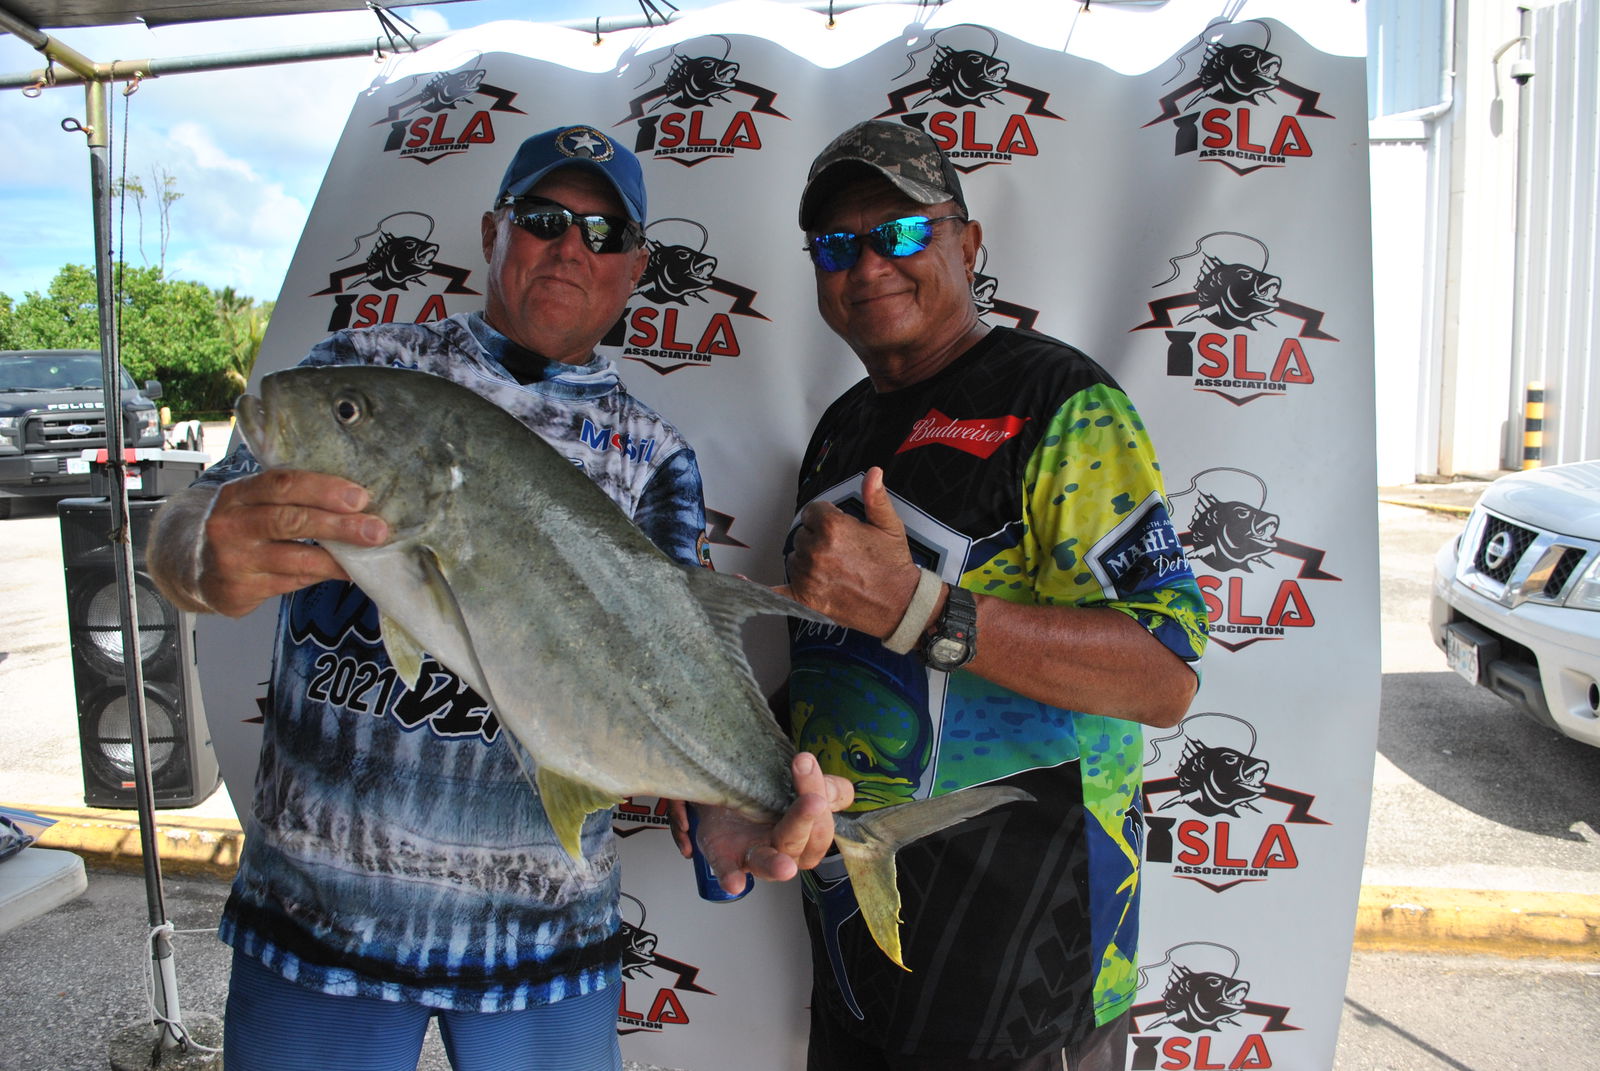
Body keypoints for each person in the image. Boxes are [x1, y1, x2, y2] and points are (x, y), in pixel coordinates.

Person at [147, 123, 847, 1071]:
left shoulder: (653, 458)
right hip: (316, 924)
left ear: (634, 267)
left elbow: (675, 685)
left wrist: (739, 813)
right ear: (493, 231)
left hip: (545, 946)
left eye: (603, 233)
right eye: (545, 218)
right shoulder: (361, 369)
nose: (570, 246)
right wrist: (200, 554)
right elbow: (184, 529)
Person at [771, 119, 1209, 1070]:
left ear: (968, 244)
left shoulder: (1059, 403)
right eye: (838, 244)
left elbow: (1163, 673)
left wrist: (919, 607)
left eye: (900, 232)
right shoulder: (842, 430)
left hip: (1026, 969)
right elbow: (833, 669)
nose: (868, 263)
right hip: (859, 952)